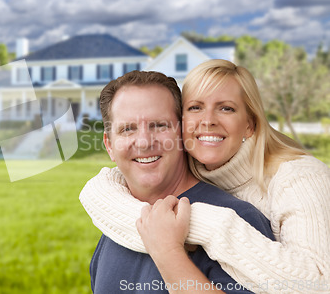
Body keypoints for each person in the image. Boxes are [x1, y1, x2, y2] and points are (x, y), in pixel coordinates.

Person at [80, 60, 330, 293]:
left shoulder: (255, 209)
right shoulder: (117, 217)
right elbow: (100, 190)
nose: (144, 142)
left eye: (159, 125)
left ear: (179, 132)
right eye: (128, 129)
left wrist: (182, 238)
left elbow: (318, 283)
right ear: (109, 145)